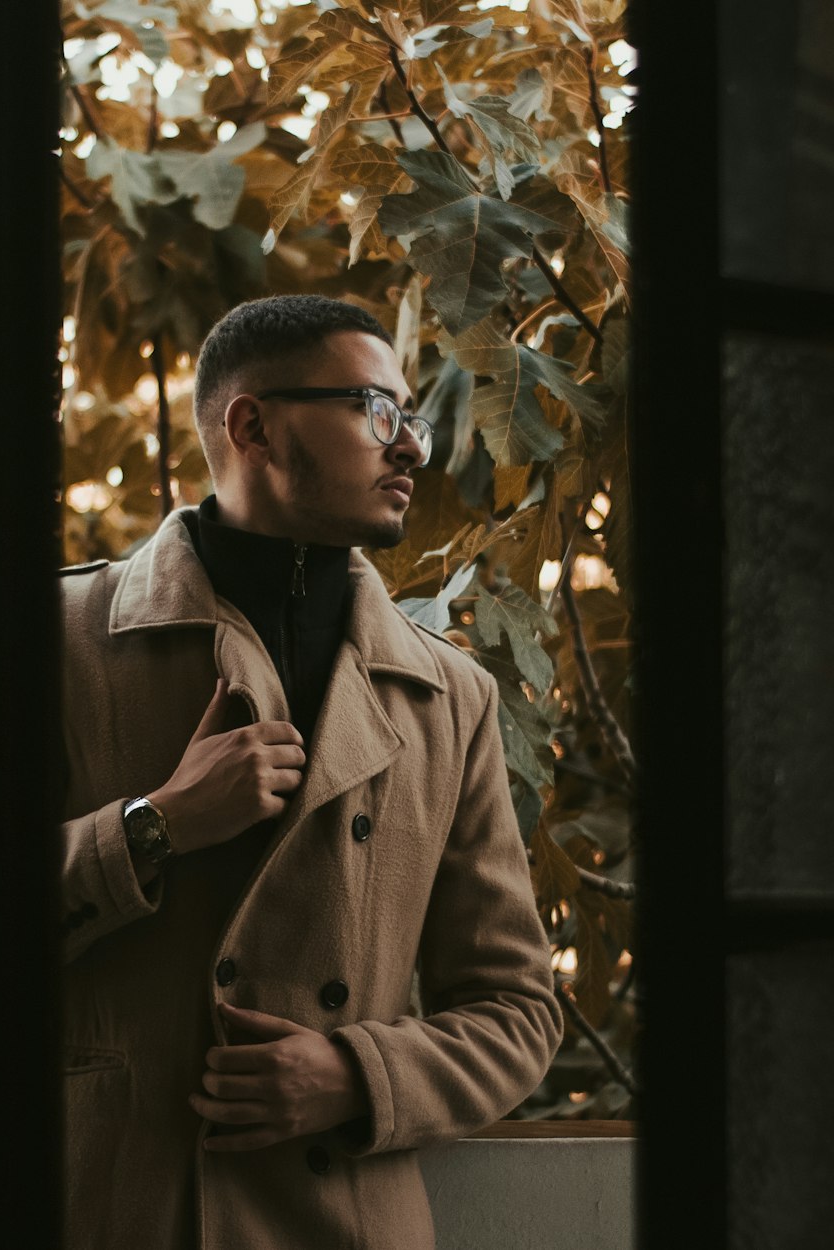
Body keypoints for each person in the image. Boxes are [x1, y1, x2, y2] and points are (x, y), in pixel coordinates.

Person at [59, 295, 562, 1250]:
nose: (410, 446)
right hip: (119, 1208)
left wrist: (358, 1074)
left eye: (409, 418)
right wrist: (152, 826)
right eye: (377, 411)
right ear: (252, 423)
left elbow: (518, 1009)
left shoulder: (450, 696)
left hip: (347, 1222)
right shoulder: (60, 644)